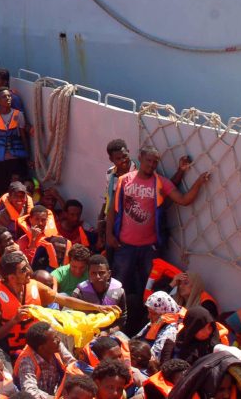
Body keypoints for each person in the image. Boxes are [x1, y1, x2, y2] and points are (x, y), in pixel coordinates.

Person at [105, 145, 210, 302]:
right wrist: (109, 235)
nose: (152, 165)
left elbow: (184, 200)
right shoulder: (124, 180)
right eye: (148, 160)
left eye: (155, 162)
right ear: (140, 158)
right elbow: (113, 209)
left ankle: (141, 318)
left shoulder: (161, 182)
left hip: (149, 249)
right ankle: (112, 313)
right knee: (118, 285)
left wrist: (199, 182)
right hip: (124, 246)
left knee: (147, 287)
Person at [0, 252, 118, 360]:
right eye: (23, 270)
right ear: (12, 277)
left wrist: (98, 307)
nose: (29, 272)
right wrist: (15, 320)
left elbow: (65, 300)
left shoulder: (33, 285)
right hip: (8, 349)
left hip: (36, 344)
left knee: (66, 355)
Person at [0, 87, 31, 197]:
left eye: (9, 96)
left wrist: (28, 158)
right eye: (4, 97)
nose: (8, 98)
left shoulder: (19, 115)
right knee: (0, 190)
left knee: (17, 188)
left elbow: (23, 137)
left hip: (16, 160)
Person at [14, 322, 76, 397]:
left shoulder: (56, 346)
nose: (59, 340)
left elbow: (73, 364)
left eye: (56, 336)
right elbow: (30, 392)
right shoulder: (26, 361)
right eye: (54, 338)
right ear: (42, 347)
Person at [72, 255, 127, 333]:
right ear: (88, 274)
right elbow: (72, 318)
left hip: (110, 333)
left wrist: (108, 332)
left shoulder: (119, 292)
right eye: (93, 273)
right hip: (85, 333)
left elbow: (122, 318)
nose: (97, 276)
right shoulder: (79, 293)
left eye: (101, 273)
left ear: (109, 274)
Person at [134, 291, 181, 365]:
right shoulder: (157, 321)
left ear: (164, 312)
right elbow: (136, 338)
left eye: (153, 313)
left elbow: (154, 357)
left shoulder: (170, 331)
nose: (149, 316)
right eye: (149, 312)